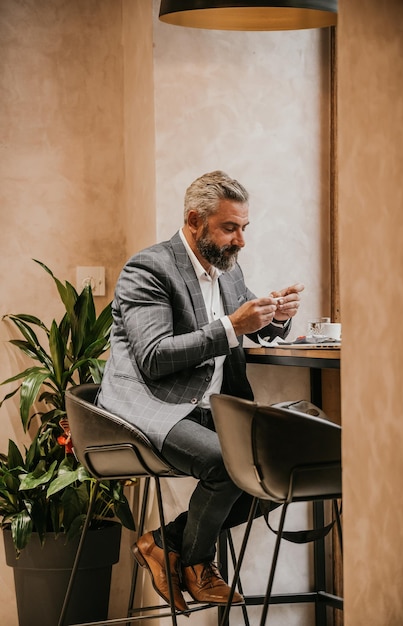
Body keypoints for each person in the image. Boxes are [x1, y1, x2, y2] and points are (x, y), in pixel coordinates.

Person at [97, 170, 304, 613]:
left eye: (244, 228)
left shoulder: (228, 271)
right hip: (148, 405)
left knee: (276, 468)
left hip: (208, 408)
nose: (240, 240)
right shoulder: (149, 268)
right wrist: (233, 325)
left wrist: (278, 315)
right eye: (230, 228)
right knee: (225, 465)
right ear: (194, 220)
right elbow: (154, 356)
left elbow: (251, 323)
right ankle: (196, 563)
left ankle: (164, 544)